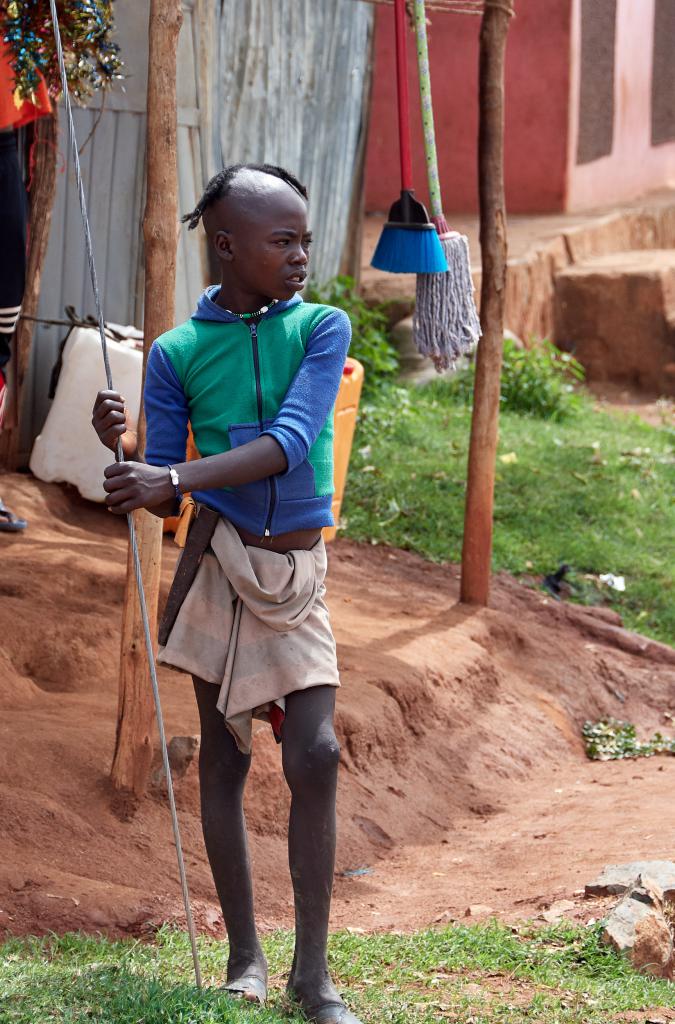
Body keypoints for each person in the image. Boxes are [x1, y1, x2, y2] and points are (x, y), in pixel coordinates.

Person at [92, 164, 362, 1024]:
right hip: (219, 563)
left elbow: (290, 441)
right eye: (281, 242)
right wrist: (131, 458)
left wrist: (170, 471)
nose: (299, 257)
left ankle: (311, 976)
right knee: (227, 753)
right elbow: (169, 495)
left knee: (314, 752)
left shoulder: (322, 327)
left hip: (296, 570)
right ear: (228, 245)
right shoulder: (174, 354)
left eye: (303, 241)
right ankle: (246, 957)